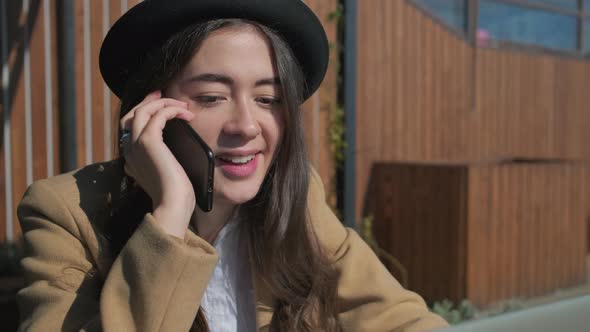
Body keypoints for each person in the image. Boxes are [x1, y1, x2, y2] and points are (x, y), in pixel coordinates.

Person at [16, 0, 448, 331]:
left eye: (269, 99)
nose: (246, 125)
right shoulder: (65, 213)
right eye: (210, 97)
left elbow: (398, 316)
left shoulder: (295, 196)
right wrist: (171, 213)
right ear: (151, 108)